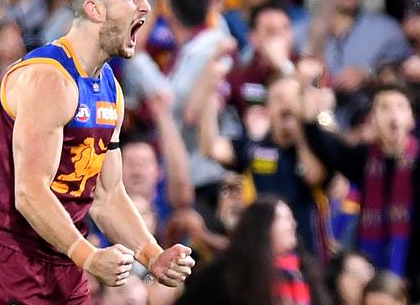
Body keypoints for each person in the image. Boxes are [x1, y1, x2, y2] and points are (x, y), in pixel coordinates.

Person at [0, 0, 195, 304]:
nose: (146, 6)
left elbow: (107, 195)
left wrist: (151, 255)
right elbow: (29, 193)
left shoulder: (109, 88)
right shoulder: (48, 78)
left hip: (66, 263)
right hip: (13, 260)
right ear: (95, 9)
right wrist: (88, 256)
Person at [199, 45, 328, 256]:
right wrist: (210, 93)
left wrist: (303, 129)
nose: (286, 105)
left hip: (308, 253)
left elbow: (314, 175)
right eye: (278, 99)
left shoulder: (314, 146)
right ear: (267, 109)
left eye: (292, 99)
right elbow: (211, 148)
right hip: (263, 250)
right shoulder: (255, 145)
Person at [300, 84, 420, 301]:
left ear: (412, 119)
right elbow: (329, 149)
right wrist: (311, 111)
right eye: (384, 108)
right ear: (372, 120)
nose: (393, 114)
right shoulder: (364, 158)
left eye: (400, 107)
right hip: (372, 281)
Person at [177, 197, 330, 305]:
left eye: (291, 218)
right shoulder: (230, 271)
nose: (293, 225)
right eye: (284, 218)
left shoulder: (304, 270)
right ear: (262, 227)